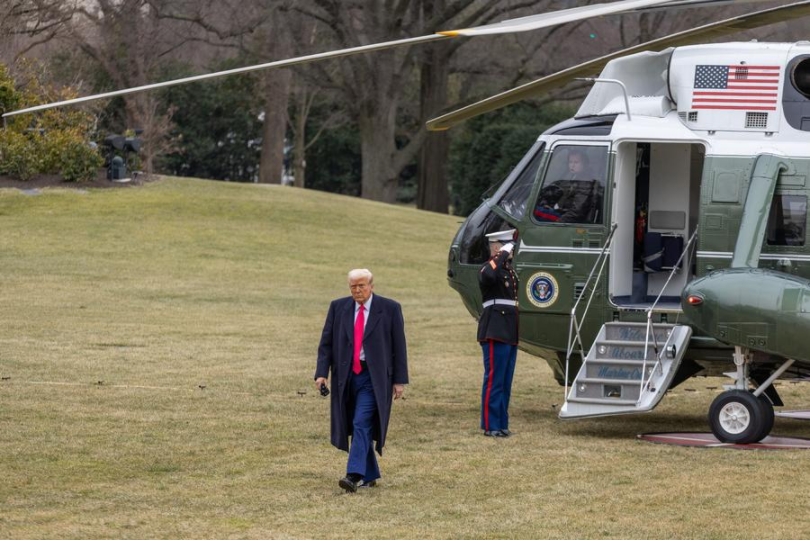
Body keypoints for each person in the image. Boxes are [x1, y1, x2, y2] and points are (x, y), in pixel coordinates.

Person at [314, 268, 408, 492]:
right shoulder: (338, 308)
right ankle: (371, 473)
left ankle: (353, 474)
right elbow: (326, 343)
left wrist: (399, 380)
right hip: (346, 377)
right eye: (353, 286)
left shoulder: (390, 309)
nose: (357, 290)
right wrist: (321, 373)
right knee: (355, 424)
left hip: (373, 378)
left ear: (371, 286)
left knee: (360, 422)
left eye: (361, 285)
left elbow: (399, 346)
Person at [477, 229, 519, 438]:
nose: (512, 250)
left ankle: (501, 423)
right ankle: (490, 425)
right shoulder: (488, 268)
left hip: (509, 330)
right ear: (496, 247)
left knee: (505, 380)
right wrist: (500, 254)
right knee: (494, 379)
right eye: (507, 246)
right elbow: (488, 275)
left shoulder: (509, 271)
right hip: (495, 328)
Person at [534, 149, 603, 223]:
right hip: (562, 213)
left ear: (584, 164)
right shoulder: (574, 178)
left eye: (576, 162)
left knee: (533, 211)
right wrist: (547, 205)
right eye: (570, 162)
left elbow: (577, 211)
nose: (572, 165)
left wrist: (559, 222)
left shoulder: (585, 182)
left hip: (567, 219)